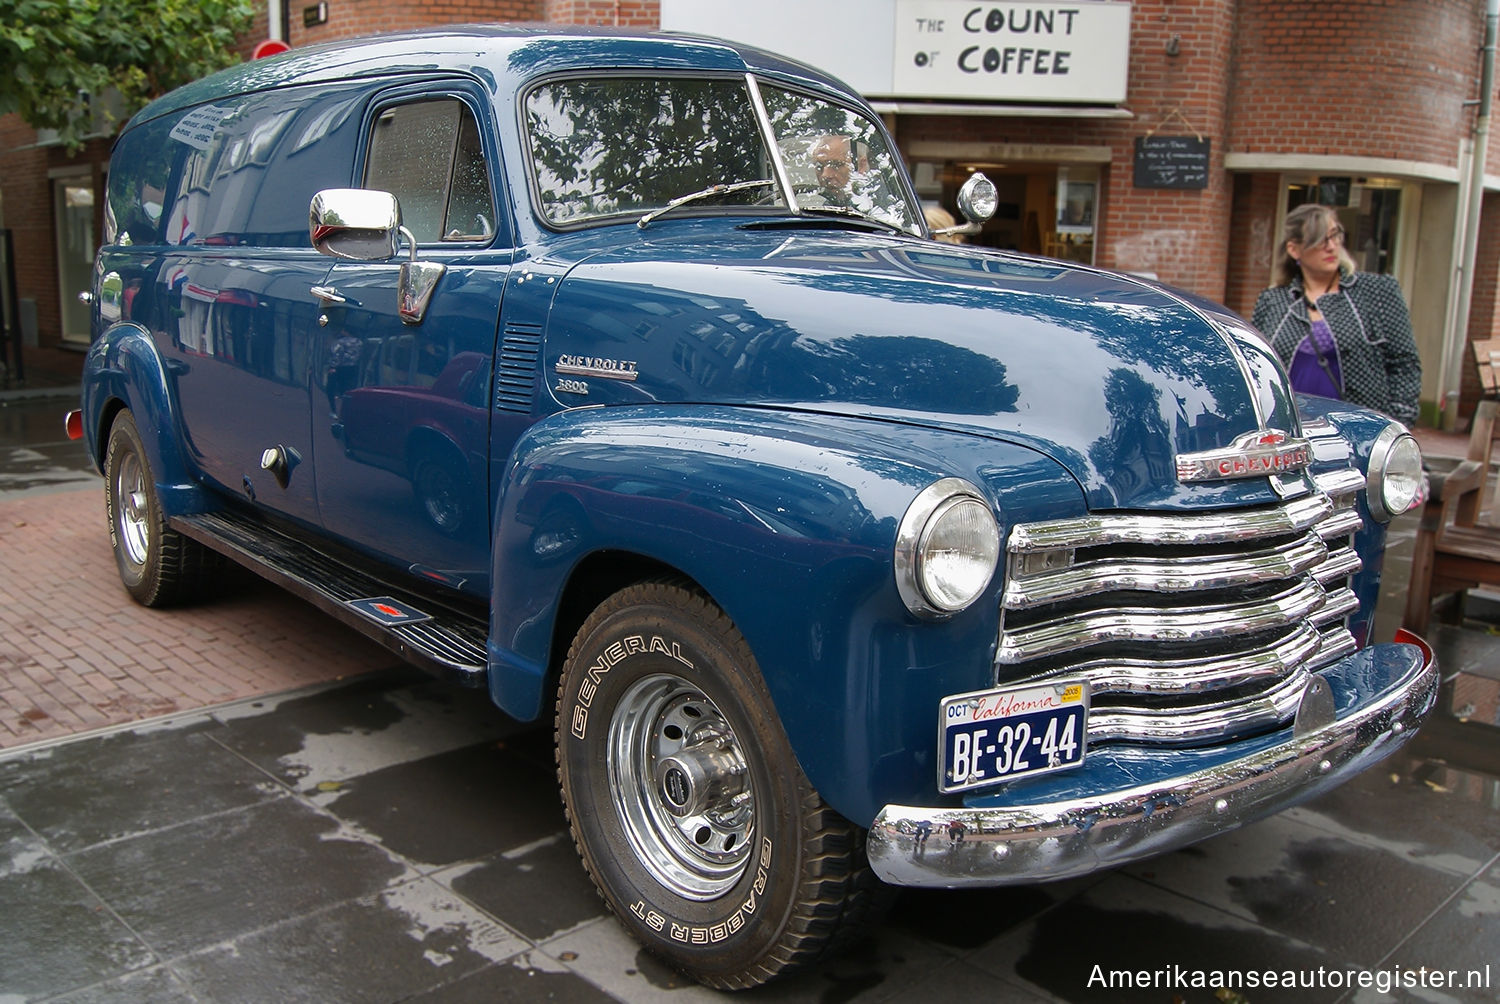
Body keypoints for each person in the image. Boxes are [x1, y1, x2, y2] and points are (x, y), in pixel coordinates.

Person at [1252, 203, 1421, 428]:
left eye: (1334, 236)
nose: (1332, 247)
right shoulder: (1274, 300)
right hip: (1290, 431)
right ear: (1295, 250)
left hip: (1358, 431)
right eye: (1321, 240)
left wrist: (1397, 423)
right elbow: (1256, 364)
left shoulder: (1377, 291)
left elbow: (1405, 362)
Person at [808, 134, 862, 208]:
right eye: (819, 166)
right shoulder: (828, 209)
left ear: (861, 166)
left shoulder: (877, 211)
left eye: (836, 165)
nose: (825, 175)